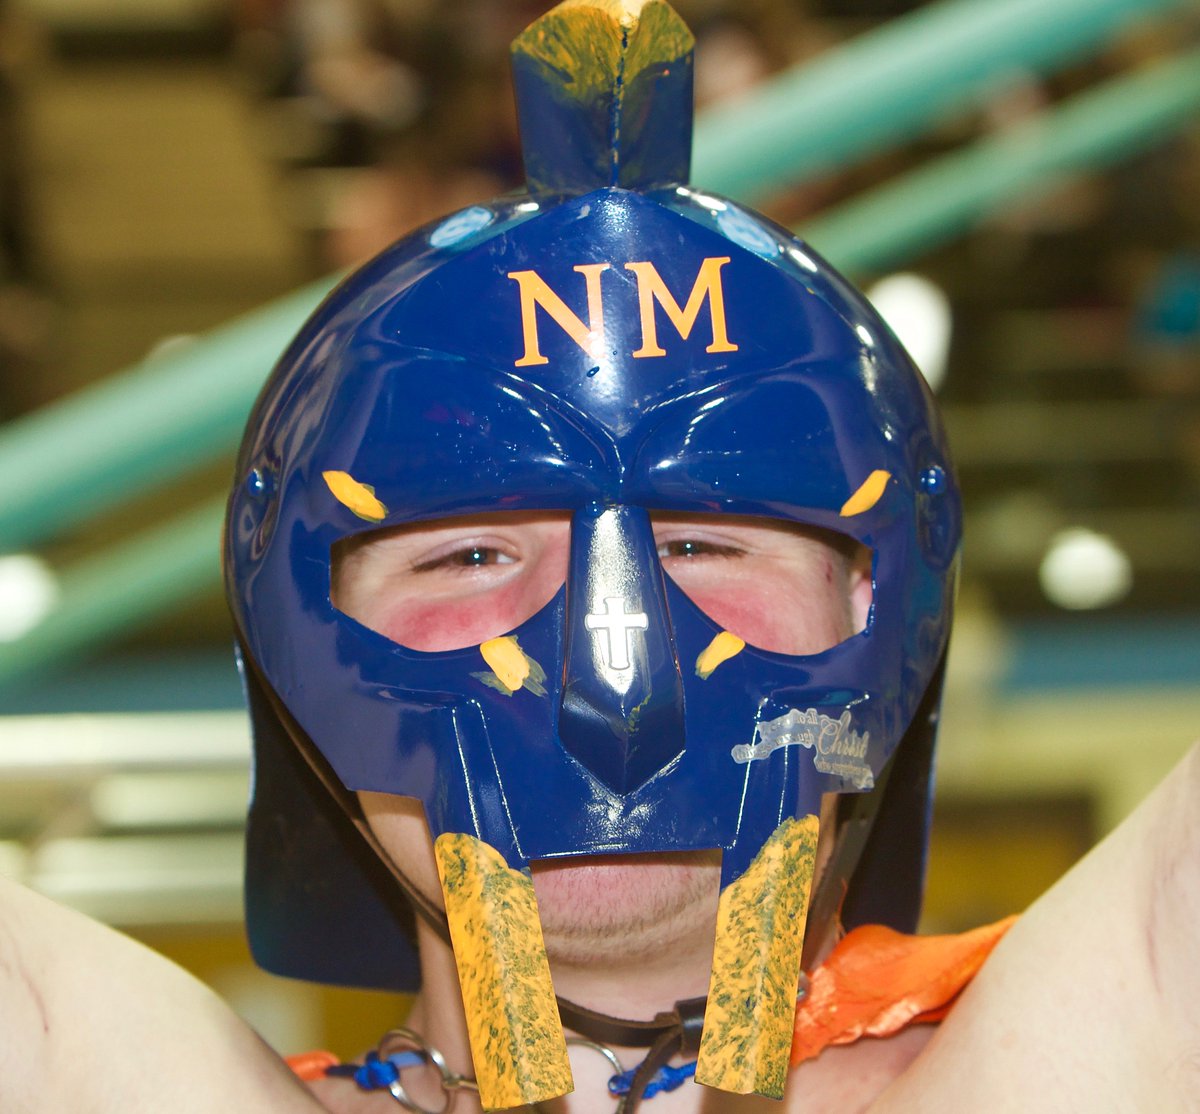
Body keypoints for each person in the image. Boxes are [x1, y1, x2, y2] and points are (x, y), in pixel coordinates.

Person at [2, 2, 1197, 1112]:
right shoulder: (125, 1075)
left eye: (704, 538)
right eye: (467, 555)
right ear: (292, 640)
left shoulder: (1098, 1050)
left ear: (879, 598)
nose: (613, 686)